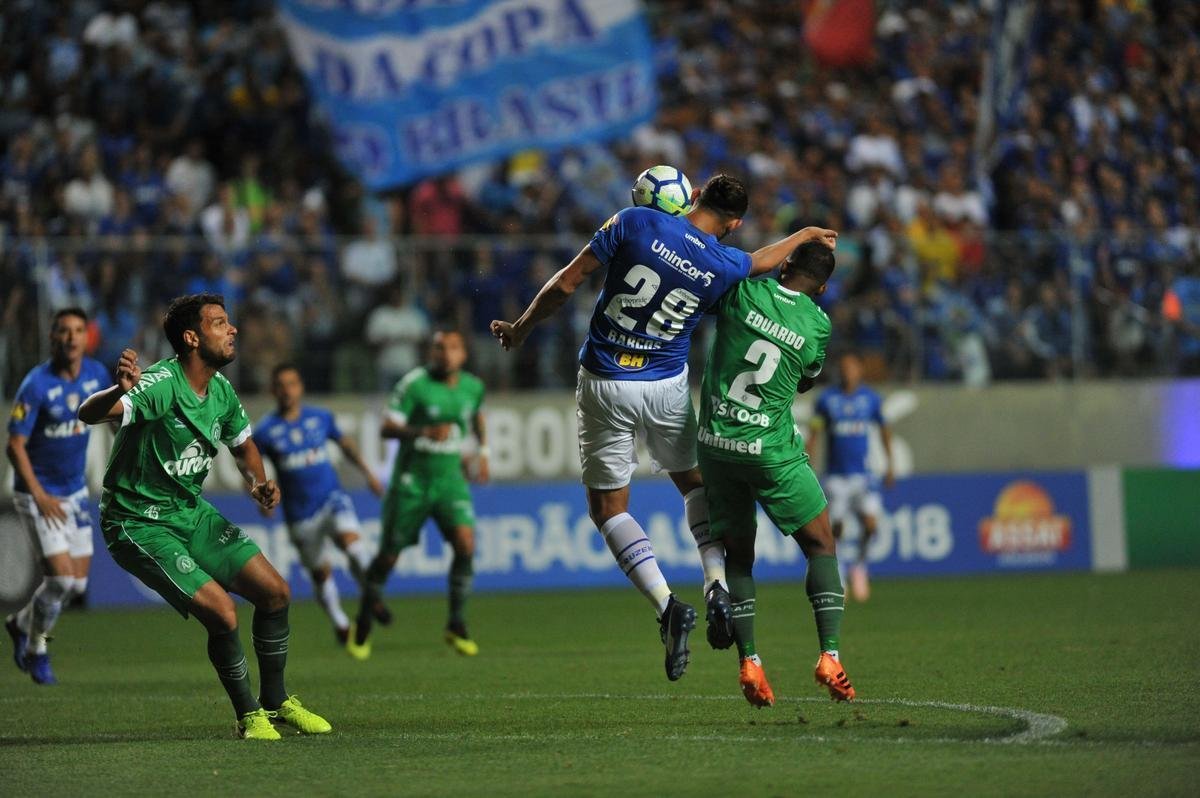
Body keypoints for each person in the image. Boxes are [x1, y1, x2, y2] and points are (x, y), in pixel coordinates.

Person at [491, 173, 837, 681]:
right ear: (735, 222)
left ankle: (666, 604)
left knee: (609, 509)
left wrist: (521, 329)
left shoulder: (633, 222)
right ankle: (715, 580)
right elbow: (761, 262)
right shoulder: (723, 263)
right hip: (667, 384)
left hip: (606, 379)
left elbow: (567, 283)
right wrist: (804, 234)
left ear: (694, 197)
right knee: (695, 484)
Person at [77, 294, 331, 741]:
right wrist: (119, 390)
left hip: (189, 512)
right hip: (137, 521)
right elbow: (89, 413)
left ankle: (275, 702)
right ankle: (248, 715)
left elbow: (243, 444)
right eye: (219, 323)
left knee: (275, 593)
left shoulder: (220, 389)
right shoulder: (160, 383)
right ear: (192, 338)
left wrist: (258, 482)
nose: (232, 329)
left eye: (229, 321)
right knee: (224, 613)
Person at [696, 241, 854, 707]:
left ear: (784, 264)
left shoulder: (741, 293)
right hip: (770, 450)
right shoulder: (818, 324)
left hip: (717, 446)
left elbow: (717, 280)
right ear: (822, 287)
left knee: (739, 557)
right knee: (821, 544)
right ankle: (829, 656)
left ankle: (750, 662)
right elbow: (805, 377)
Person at [352, 330, 488, 659]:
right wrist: (424, 431)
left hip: (449, 481)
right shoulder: (414, 384)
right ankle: (364, 620)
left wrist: (483, 452)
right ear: (431, 351)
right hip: (410, 483)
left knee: (466, 545)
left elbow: (476, 416)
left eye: (452, 348)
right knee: (388, 557)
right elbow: (387, 427)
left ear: (463, 354)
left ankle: (456, 624)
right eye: (439, 347)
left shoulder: (473, 387)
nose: (445, 354)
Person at [5, 308, 111, 684]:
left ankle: (19, 623)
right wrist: (38, 494)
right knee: (62, 581)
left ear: (87, 337)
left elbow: (114, 417)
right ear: (53, 337)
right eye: (64, 331)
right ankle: (37, 648)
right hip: (37, 493)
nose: (71, 337)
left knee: (78, 584)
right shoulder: (35, 385)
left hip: (74, 490)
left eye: (78, 330)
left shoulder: (98, 375)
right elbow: (15, 446)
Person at [253, 363, 389, 649]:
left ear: (300, 387)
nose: (287, 390)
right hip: (300, 514)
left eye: (292, 383)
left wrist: (368, 473)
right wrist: (260, 495)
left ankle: (371, 596)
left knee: (353, 546)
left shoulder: (320, 417)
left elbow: (346, 445)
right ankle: (340, 621)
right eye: (281, 385)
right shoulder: (266, 431)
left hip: (332, 499)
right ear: (273, 390)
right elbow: (250, 464)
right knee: (320, 572)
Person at [808, 352, 895, 602]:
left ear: (859, 370)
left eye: (851, 367)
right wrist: (808, 461)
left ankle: (859, 566)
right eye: (843, 367)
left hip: (864, 475)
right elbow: (814, 432)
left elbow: (884, 430)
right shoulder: (826, 400)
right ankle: (841, 576)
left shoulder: (870, 399)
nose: (847, 372)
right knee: (835, 529)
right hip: (836, 476)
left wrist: (890, 465)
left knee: (870, 525)